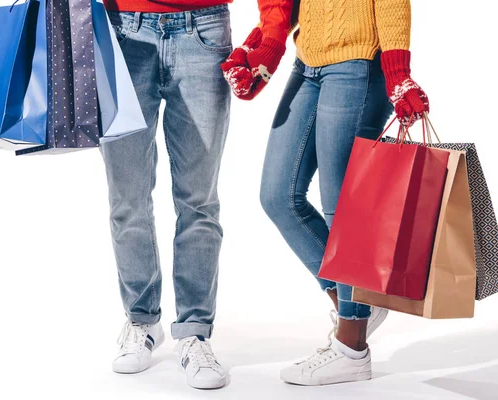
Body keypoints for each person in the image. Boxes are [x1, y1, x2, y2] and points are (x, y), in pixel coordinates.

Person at [222, 0, 429, 386]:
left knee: (341, 208)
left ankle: (352, 348)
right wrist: (261, 45)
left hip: (358, 64)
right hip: (308, 62)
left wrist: (398, 73)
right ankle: (356, 302)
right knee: (278, 196)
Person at [100, 0, 235, 390]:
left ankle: (194, 330)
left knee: (199, 200)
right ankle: (142, 320)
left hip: (204, 30)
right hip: (122, 31)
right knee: (127, 198)